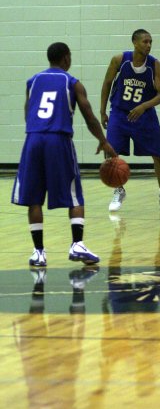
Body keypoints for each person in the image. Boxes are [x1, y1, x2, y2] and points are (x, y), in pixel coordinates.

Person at [11, 42, 117, 268]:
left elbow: (27, 111)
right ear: (66, 59)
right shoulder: (72, 82)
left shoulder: (33, 81)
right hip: (58, 139)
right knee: (74, 194)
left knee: (33, 197)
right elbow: (89, 116)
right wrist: (104, 141)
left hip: (33, 138)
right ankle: (77, 244)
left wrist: (38, 132)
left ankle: (39, 252)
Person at [100, 29, 160, 213]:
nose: (149, 45)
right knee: (110, 152)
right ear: (134, 42)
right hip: (120, 113)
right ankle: (118, 190)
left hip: (145, 115)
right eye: (145, 41)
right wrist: (103, 111)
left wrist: (143, 106)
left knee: (158, 155)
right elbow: (107, 83)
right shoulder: (119, 60)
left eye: (151, 41)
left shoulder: (154, 65)